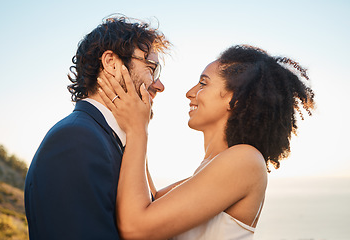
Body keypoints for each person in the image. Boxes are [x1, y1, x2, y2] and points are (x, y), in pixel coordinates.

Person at [97, 45, 315, 240]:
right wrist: (131, 124)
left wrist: (138, 130)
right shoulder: (213, 168)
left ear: (234, 99)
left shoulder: (244, 159)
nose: (190, 93)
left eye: (203, 83)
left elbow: (136, 228)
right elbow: (149, 202)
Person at [24, 15, 170, 239]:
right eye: (151, 69)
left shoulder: (108, 139)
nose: (159, 85)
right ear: (111, 63)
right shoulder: (76, 140)